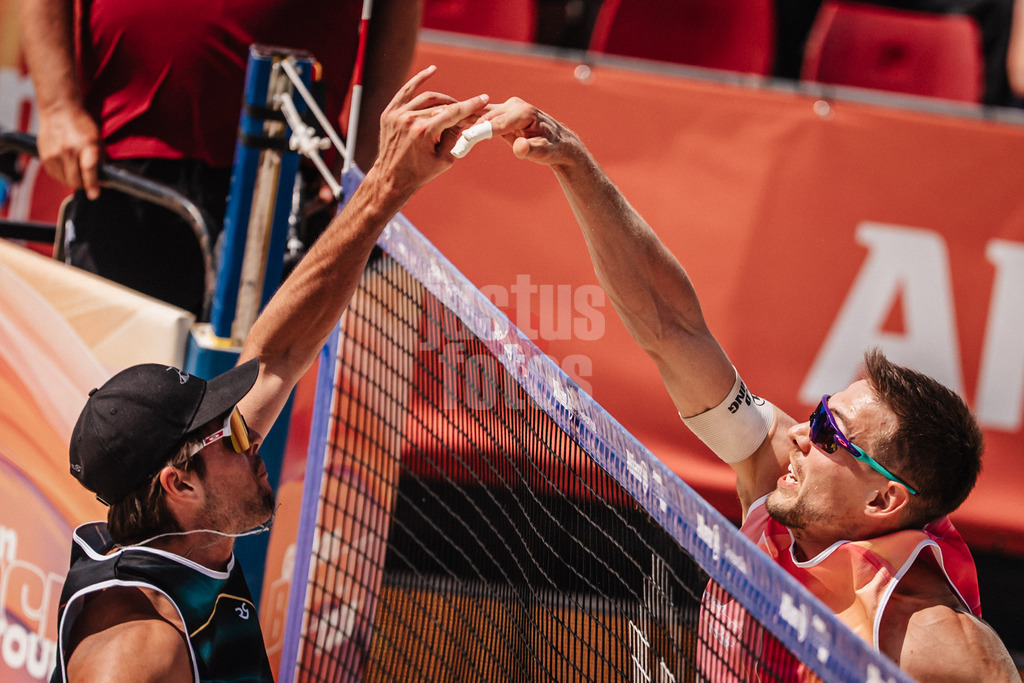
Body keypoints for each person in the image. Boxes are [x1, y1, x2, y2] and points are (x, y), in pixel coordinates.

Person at [472, 99, 1020, 680]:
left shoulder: (931, 638)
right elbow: (673, 328)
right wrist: (575, 164)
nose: (803, 435)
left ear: (884, 501)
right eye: (819, 415)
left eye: (832, 435)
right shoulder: (775, 467)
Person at [48, 67, 489, 683]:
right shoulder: (139, 652)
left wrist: (391, 181)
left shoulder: (190, 523)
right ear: (178, 484)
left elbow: (278, 353)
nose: (249, 435)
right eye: (227, 436)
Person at [19, 0, 422, 318]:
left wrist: (367, 149)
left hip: (287, 180)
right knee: (113, 402)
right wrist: (57, 108)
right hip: (126, 170)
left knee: (252, 405)